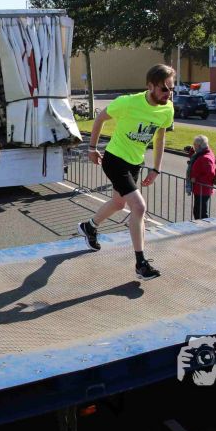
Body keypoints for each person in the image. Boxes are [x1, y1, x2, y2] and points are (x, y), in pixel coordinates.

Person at [78, 64, 175, 281]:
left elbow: (160, 137)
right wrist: (92, 148)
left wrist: (156, 168)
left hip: (135, 162)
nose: (168, 94)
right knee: (138, 206)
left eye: (171, 89)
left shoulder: (167, 109)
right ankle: (141, 263)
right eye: (164, 89)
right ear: (150, 86)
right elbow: (100, 119)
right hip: (114, 159)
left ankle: (89, 227)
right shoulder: (128, 102)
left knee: (119, 203)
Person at [185, 135, 216, 220]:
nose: (194, 146)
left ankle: (204, 227)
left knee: (200, 213)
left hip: (203, 189)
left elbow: (211, 174)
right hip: (199, 189)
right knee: (197, 211)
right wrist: (191, 151)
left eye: (194, 145)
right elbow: (195, 158)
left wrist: (195, 179)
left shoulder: (206, 158)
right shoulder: (202, 153)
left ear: (199, 146)